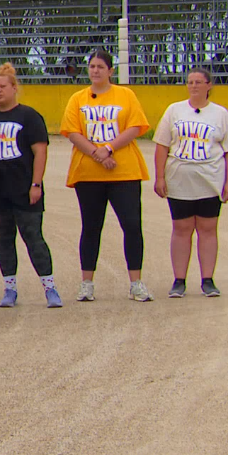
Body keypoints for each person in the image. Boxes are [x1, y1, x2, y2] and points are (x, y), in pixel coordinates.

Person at [60, 50, 153, 302]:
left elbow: (135, 127)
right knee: (91, 227)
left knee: (132, 226)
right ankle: (87, 282)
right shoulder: (78, 99)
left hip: (124, 171)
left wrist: (109, 148)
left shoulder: (126, 95)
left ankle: (136, 282)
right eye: (92, 66)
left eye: (101, 66)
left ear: (111, 71)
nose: (95, 71)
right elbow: (72, 131)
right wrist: (97, 153)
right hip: (89, 173)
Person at [152, 68, 228, 298]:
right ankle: (179, 280)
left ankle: (207, 279)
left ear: (209, 85)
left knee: (208, 229)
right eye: (190, 82)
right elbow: (162, 145)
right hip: (179, 180)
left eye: (198, 82)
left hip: (209, 180)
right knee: (181, 229)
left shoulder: (220, 114)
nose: (193, 86)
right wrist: (160, 176)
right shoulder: (174, 110)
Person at [0, 62, 62, 309]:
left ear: (15, 88)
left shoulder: (29, 116)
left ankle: (50, 288)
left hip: (24, 189)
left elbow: (40, 152)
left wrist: (36, 183)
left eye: (3, 86)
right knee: (4, 240)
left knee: (33, 238)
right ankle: (10, 288)